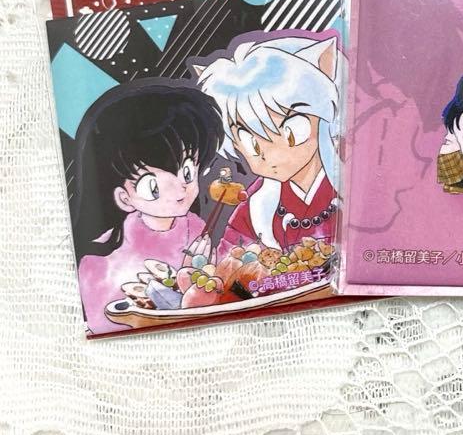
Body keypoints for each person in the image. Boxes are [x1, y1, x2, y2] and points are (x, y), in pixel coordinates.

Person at [72, 81, 222, 334]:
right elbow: (105, 325)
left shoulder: (197, 227)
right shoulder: (99, 261)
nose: (179, 190)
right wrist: (182, 284)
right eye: (153, 187)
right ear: (124, 198)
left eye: (187, 172)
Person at [194, 34, 341, 254]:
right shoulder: (259, 204)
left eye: (290, 131)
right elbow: (231, 257)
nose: (270, 154)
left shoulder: (352, 180)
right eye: (251, 143)